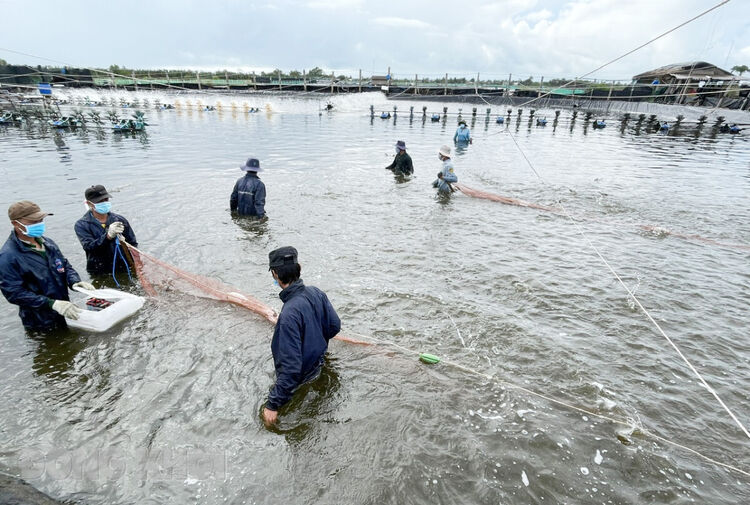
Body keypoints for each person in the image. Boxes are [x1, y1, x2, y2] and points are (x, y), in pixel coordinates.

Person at [262, 246, 341, 427]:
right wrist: (316, 342)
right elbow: (334, 326)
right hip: (320, 365)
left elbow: (290, 369)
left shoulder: (289, 315)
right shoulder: (316, 292)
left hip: (302, 379)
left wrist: (272, 405)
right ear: (299, 268)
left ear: (275, 274)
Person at [0, 201, 94, 332]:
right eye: (33, 222)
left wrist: (74, 281)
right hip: (39, 321)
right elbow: (14, 293)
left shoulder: (47, 242)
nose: (38, 224)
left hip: (65, 308)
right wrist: (51, 303)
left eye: (40, 220)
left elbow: (64, 264)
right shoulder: (7, 256)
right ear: (16, 223)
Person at [74, 185, 138, 275]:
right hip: (100, 271)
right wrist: (108, 236)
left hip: (123, 267)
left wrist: (137, 263)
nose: (104, 203)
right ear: (89, 204)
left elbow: (132, 243)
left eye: (106, 200)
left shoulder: (120, 220)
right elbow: (89, 248)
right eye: (100, 201)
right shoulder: (81, 225)